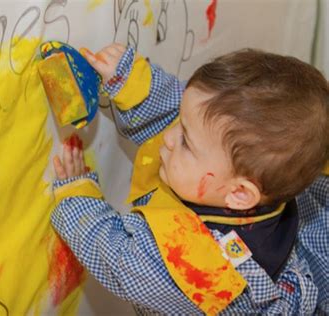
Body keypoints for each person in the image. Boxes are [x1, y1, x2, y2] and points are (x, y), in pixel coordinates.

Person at [51, 43, 329, 314]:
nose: (170, 138)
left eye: (186, 142)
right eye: (181, 126)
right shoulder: (247, 172)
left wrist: (78, 198)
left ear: (240, 195)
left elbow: (120, 258)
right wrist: (132, 83)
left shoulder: (204, 266)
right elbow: (194, 116)